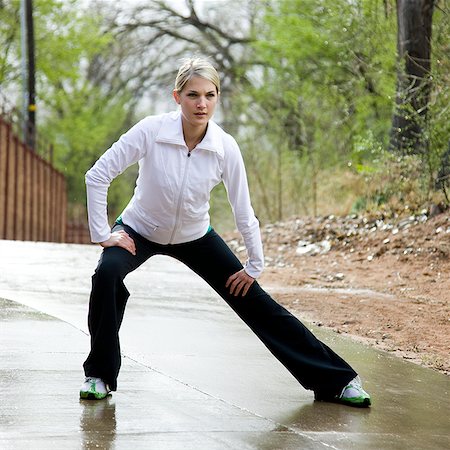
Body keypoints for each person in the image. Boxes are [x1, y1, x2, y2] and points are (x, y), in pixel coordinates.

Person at [80, 57, 371, 408]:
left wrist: (254, 265)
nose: (201, 103)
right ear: (177, 97)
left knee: (253, 299)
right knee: (107, 273)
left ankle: (337, 381)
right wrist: (102, 233)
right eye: (192, 95)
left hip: (196, 236)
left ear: (217, 97)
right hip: (139, 229)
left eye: (209, 95)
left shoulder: (224, 147)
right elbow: (97, 175)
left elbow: (243, 210)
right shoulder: (151, 131)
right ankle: (99, 375)